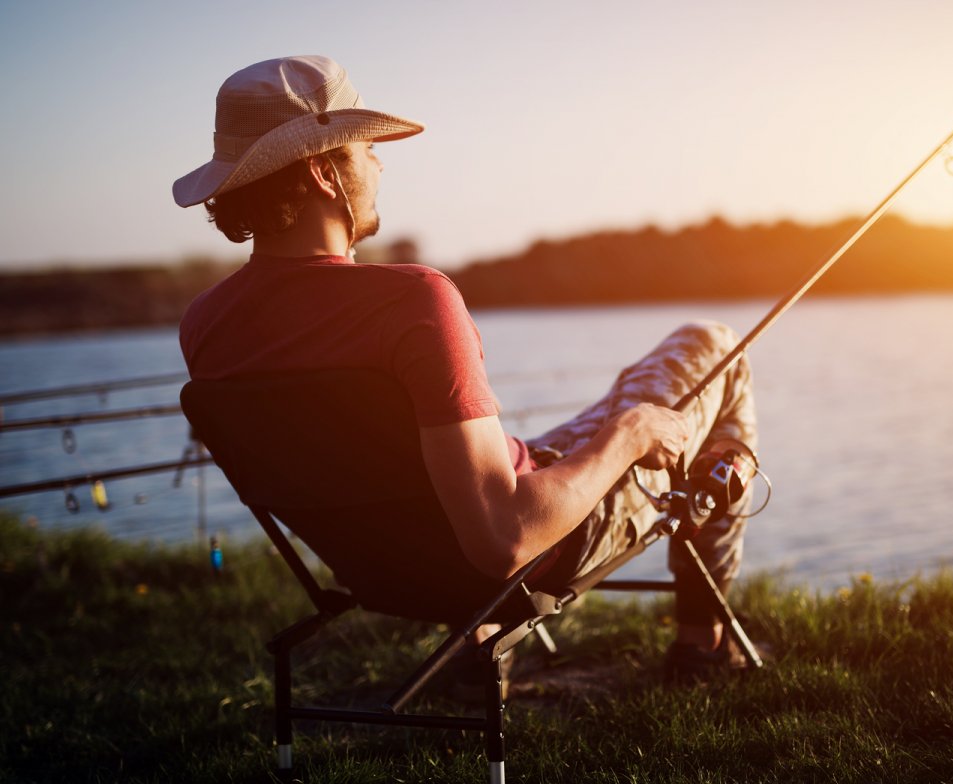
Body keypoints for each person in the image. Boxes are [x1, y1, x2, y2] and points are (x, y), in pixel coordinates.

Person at [175, 55, 758, 679]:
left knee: (627, 405)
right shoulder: (412, 301)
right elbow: (503, 539)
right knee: (715, 346)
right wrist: (631, 435)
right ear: (324, 172)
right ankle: (703, 642)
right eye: (366, 146)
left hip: (390, 573)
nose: (378, 162)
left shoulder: (207, 324)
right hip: (536, 549)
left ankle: (483, 640)